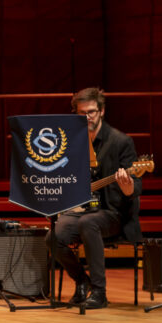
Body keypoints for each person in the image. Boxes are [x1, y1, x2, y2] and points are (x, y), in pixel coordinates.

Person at [48, 87, 142, 309]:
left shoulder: (120, 141)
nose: (87, 117)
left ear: (101, 111)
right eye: (82, 113)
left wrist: (127, 186)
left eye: (91, 112)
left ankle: (99, 292)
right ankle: (82, 282)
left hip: (114, 214)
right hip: (83, 210)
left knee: (88, 223)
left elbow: (135, 187)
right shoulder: (73, 142)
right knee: (54, 235)